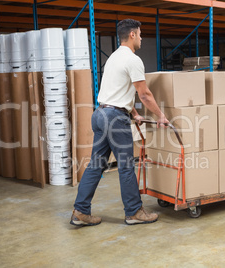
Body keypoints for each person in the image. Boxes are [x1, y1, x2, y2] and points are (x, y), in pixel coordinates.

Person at [70, 19, 169, 227]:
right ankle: (134, 212)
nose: (141, 38)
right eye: (140, 34)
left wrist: (133, 112)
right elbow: (144, 94)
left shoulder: (114, 57)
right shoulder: (133, 60)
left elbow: (117, 89)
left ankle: (80, 212)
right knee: (126, 167)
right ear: (132, 35)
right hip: (114, 119)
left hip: (100, 114)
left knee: (95, 165)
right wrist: (161, 116)